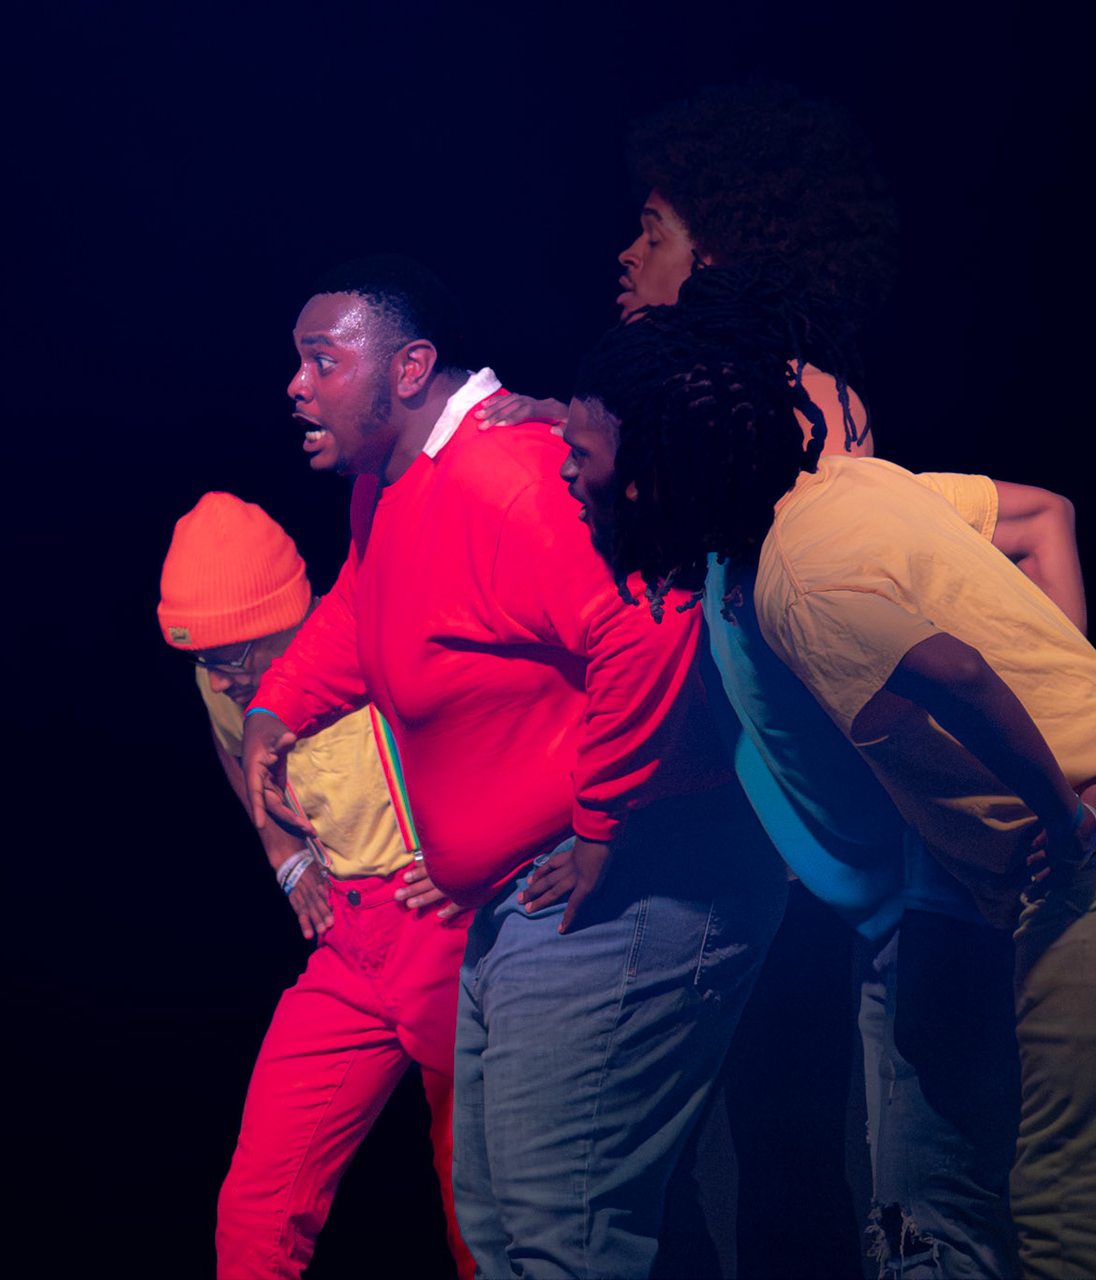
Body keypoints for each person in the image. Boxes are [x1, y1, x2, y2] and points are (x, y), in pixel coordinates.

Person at [571, 273, 1096, 1280]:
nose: (569, 477)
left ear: (654, 472)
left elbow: (956, 672)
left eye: (582, 457)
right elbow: (1031, 535)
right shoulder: (850, 491)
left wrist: (1060, 810)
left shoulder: (794, 584)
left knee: (1065, 1216)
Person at [240, 256, 786, 1277]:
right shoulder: (390, 489)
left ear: (410, 369)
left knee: (557, 1239)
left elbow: (649, 625)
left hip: (615, 892)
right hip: (517, 904)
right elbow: (364, 604)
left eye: (322, 360)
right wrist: (277, 707)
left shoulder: (508, 475)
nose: (296, 386)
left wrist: (600, 825)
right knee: (509, 1238)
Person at [158, 491, 474, 1280]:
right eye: (202, 661)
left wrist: (472, 854)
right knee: (257, 1209)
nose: (220, 680)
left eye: (234, 657)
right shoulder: (222, 682)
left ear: (287, 619)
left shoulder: (372, 634)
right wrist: (283, 851)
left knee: (479, 1196)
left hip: (439, 929)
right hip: (348, 940)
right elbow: (233, 744)